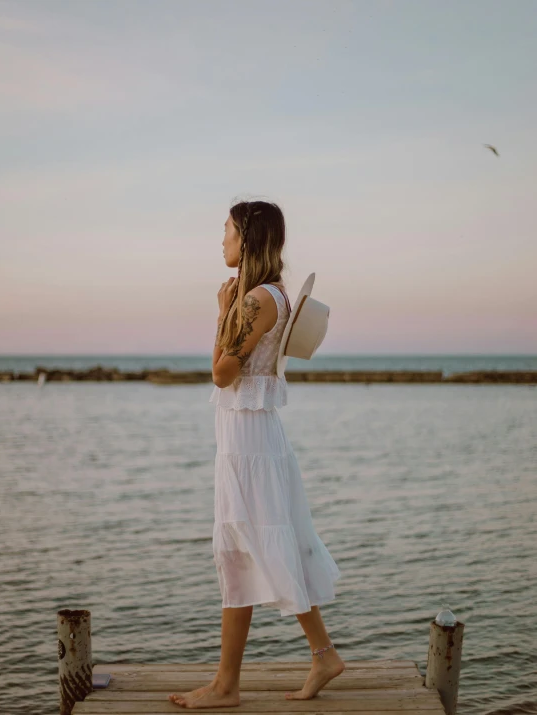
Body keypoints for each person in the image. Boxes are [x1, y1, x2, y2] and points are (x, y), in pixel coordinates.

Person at [168, 199, 344, 709]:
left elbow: (223, 373)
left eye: (226, 231)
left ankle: (311, 657)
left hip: (248, 440)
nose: (220, 240)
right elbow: (230, 370)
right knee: (245, 550)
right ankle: (233, 680)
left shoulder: (255, 301)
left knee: (254, 545)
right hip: (249, 434)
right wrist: (227, 315)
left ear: (247, 237)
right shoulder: (269, 296)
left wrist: (222, 314)